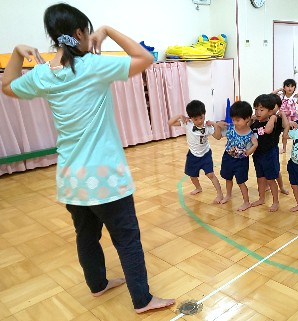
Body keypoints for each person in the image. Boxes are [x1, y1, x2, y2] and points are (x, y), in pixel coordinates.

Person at [2, 3, 174, 314]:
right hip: (106, 179)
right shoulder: (93, 67)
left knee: (86, 235)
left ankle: (97, 284)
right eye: (89, 31)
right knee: (127, 240)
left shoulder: (43, 74)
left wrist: (16, 53)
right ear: (80, 33)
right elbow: (146, 58)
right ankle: (143, 300)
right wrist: (107, 30)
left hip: (71, 179)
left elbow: (7, 87)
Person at [168, 100, 223, 203]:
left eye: (201, 118)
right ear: (191, 118)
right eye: (195, 119)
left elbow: (218, 137)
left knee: (210, 174)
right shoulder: (187, 124)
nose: (199, 121)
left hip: (205, 154)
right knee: (192, 176)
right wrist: (180, 115)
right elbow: (170, 123)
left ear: (204, 115)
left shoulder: (207, 127)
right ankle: (198, 188)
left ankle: (220, 194)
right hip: (193, 155)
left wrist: (215, 125)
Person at [214, 101, 258, 211]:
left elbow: (249, 152)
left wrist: (254, 145)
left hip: (241, 161)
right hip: (228, 157)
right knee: (228, 178)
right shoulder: (230, 128)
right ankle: (228, 195)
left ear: (247, 118)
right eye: (233, 119)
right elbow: (218, 137)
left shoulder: (250, 134)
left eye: (238, 120)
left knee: (241, 182)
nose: (235, 122)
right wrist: (217, 126)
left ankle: (246, 202)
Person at [250, 94, 289, 212]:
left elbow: (267, 130)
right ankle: (261, 198)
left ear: (270, 111)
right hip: (258, 154)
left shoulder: (274, 121)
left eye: (261, 110)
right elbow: (247, 130)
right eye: (256, 109)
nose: (258, 112)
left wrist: (272, 117)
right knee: (260, 178)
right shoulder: (256, 122)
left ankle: (275, 201)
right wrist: (251, 119)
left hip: (270, 154)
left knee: (271, 179)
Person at [273, 79, 298, 153]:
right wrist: (280, 89)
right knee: (284, 134)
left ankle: (296, 147)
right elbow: (272, 95)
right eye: (288, 86)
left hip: (293, 118)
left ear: (294, 88)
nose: (290, 88)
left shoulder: (294, 97)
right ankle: (284, 148)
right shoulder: (281, 96)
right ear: (284, 87)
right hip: (283, 119)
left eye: (292, 86)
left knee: (296, 134)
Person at [268, 93, 290, 195]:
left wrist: (283, 114)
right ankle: (267, 185)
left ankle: (281, 187)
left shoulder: (278, 118)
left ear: (278, 107)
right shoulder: (262, 117)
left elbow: (286, 126)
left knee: (276, 171)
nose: (270, 107)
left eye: (273, 105)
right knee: (264, 171)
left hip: (272, 149)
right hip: (261, 149)